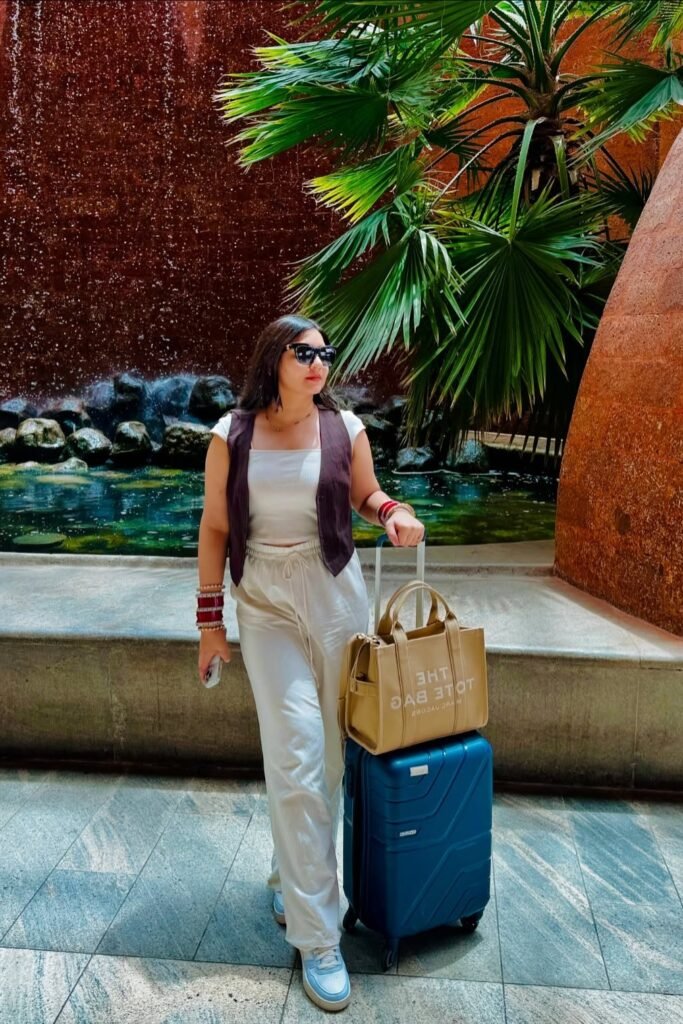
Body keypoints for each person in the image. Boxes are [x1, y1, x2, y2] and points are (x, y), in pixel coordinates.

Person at [196, 314, 425, 1012]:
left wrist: (391, 511)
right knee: (295, 755)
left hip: (334, 596)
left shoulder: (343, 428)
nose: (319, 362)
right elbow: (213, 528)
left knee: (328, 762)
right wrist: (210, 625)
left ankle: (285, 870)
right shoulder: (229, 434)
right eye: (305, 352)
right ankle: (317, 938)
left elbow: (364, 494)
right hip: (262, 601)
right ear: (274, 358)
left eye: (325, 353)